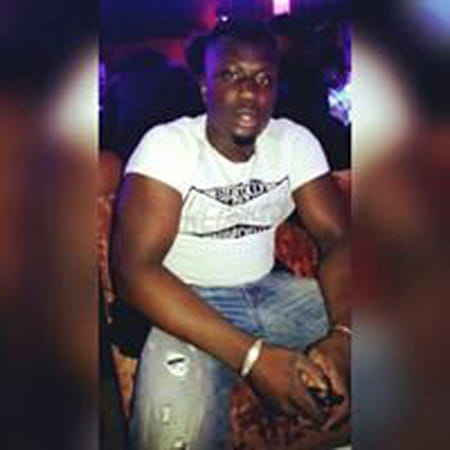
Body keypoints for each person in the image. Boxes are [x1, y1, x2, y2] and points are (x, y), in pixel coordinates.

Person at [111, 19, 350, 450]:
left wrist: (345, 335)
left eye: (263, 79)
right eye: (231, 75)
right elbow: (134, 270)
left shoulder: (294, 142)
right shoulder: (168, 147)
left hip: (273, 292)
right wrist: (252, 357)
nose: (249, 92)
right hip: (185, 303)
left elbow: (339, 239)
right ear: (205, 87)